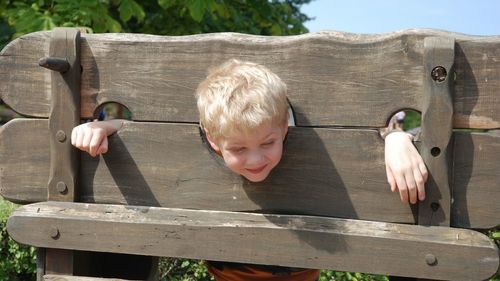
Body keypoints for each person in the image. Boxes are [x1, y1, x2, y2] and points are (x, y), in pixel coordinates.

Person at [71, 59, 428, 281]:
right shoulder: (207, 140)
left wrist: (394, 139)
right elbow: (140, 133)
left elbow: (370, 127)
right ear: (212, 142)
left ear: (286, 130)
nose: (256, 160)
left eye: (268, 143)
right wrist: (103, 128)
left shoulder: (293, 139)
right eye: (238, 149)